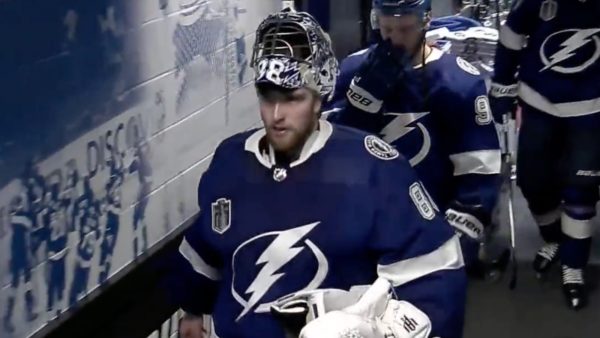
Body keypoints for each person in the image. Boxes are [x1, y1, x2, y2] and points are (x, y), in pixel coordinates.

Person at [170, 7, 467, 338]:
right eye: (268, 98)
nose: (277, 115)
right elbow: (203, 249)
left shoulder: (373, 167)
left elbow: (435, 271)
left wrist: (389, 330)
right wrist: (192, 310)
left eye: (293, 98)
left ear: (318, 96)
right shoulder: (230, 161)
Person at [324, 0, 502, 274]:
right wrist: (359, 106)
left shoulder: (458, 81)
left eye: (405, 29)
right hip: (366, 223)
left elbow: (479, 166)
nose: (394, 38)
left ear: (425, 21)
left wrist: (461, 230)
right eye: (387, 28)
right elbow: (328, 153)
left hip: (431, 222)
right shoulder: (353, 70)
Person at [489, 0, 600, 309]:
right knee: (532, 180)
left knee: (581, 188)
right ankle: (556, 238)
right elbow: (512, 36)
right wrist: (502, 84)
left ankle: (573, 265)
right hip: (539, 102)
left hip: (591, 107)